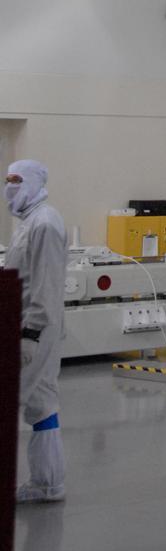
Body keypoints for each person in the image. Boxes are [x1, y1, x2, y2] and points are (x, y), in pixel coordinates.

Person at [5, 160, 68, 503]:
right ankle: (46, 482)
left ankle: (48, 483)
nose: (10, 186)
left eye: (16, 180)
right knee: (38, 401)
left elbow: (46, 285)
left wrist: (31, 332)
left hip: (35, 329)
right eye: (7, 180)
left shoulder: (45, 222)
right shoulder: (29, 221)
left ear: (32, 182)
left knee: (36, 401)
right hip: (25, 324)